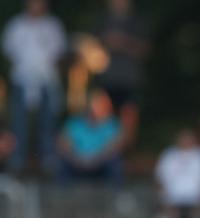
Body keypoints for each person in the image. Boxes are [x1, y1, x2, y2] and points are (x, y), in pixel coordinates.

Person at [2, 0, 66, 174]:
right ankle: (17, 161)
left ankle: (48, 161)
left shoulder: (53, 26)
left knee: (47, 123)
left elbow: (59, 53)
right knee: (19, 123)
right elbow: (10, 52)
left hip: (47, 81)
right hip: (22, 80)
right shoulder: (16, 25)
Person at [94, 0, 149, 147]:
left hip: (129, 80)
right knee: (103, 121)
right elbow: (90, 50)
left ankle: (126, 155)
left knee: (128, 122)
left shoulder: (136, 23)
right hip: (105, 80)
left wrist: (122, 42)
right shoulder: (101, 22)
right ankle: (104, 155)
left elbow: (145, 50)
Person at [56, 89, 124, 184]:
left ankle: (115, 195)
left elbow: (115, 147)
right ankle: (61, 195)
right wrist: (76, 159)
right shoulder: (75, 123)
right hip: (76, 162)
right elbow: (63, 143)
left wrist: (95, 160)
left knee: (115, 163)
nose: (95, 108)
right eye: (94, 104)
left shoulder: (112, 125)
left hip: (101, 163)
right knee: (62, 163)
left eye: (99, 104)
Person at [155, 128, 200, 218]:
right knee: (167, 203)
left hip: (195, 191)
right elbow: (161, 174)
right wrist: (162, 189)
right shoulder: (169, 154)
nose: (185, 141)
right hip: (173, 190)